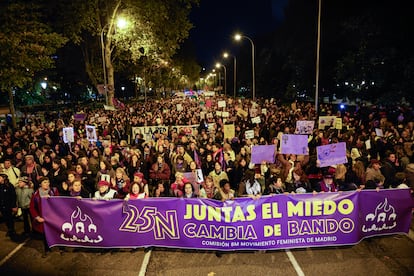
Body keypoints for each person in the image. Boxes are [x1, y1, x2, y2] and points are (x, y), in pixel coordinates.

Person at [29, 177, 59, 257]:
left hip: (53, 217)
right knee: (45, 235)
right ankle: (47, 249)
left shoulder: (53, 191)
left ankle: (59, 247)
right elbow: (32, 207)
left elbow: (59, 203)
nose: (47, 184)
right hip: (43, 219)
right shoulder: (36, 194)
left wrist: (51, 199)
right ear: (40, 184)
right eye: (45, 182)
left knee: (55, 232)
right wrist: (37, 217)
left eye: (48, 182)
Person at [0, 173, 18, 240]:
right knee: (5, 218)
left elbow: (13, 196)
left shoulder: (9, 186)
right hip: (2, 206)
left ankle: (12, 230)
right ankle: (9, 229)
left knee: (10, 218)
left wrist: (13, 205)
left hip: (9, 206)